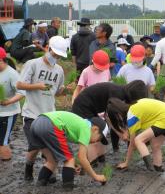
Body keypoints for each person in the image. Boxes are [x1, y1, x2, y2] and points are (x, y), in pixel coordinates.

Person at [16, 36, 67, 181]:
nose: (56, 57)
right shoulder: (32, 64)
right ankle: (29, 167)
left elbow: (56, 92)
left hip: (49, 115)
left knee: (47, 144)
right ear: (49, 49)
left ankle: (49, 170)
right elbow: (19, 85)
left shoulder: (59, 70)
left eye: (59, 56)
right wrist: (37, 86)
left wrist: (63, 90)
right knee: (35, 145)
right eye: (55, 54)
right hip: (31, 113)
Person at [28, 111, 108, 189]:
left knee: (52, 161)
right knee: (69, 160)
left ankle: (39, 188)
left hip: (36, 123)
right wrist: (96, 176)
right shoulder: (86, 128)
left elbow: (72, 151)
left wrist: (74, 166)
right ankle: (67, 189)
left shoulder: (81, 123)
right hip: (51, 125)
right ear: (95, 129)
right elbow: (82, 157)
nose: (95, 142)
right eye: (99, 139)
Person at [106, 98, 165, 171]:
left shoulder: (132, 115)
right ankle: (158, 168)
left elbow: (132, 143)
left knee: (139, 140)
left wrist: (126, 162)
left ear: (117, 114)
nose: (118, 120)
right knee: (155, 144)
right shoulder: (135, 106)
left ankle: (150, 168)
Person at [72, 81, 148, 154]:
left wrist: (124, 130)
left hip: (91, 107)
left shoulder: (122, 93)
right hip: (82, 106)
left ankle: (111, 152)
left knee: (100, 132)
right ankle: (90, 159)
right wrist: (121, 133)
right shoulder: (117, 94)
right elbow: (109, 118)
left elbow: (119, 120)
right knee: (92, 133)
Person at [0, 47, 25, 161]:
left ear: (2, 60)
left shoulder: (12, 74)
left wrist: (9, 101)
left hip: (8, 113)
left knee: (2, 141)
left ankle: (6, 163)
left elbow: (22, 92)